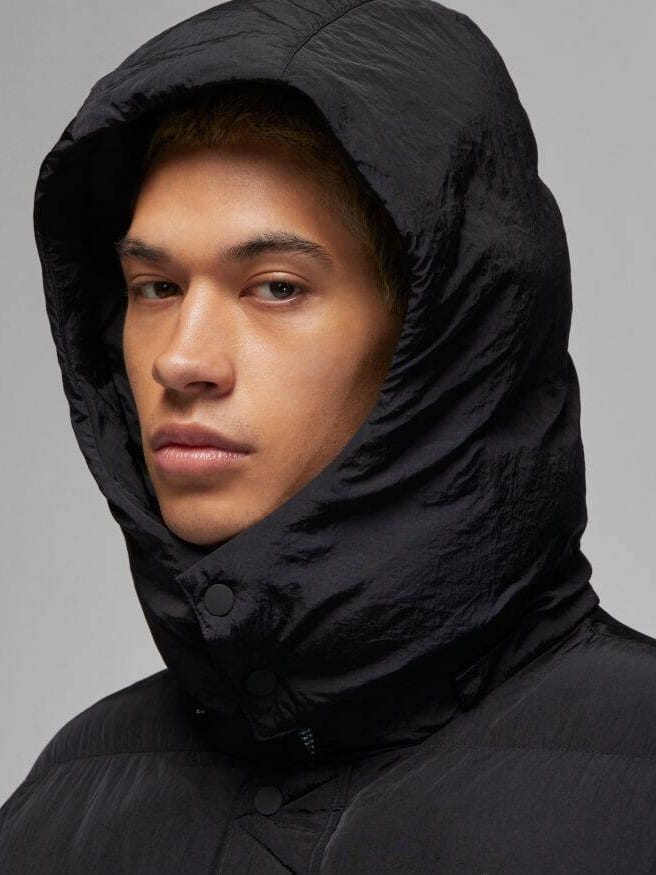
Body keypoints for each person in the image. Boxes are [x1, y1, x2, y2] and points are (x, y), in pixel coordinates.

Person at [1, 0, 655, 871]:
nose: (181, 360)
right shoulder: (62, 808)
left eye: (275, 287)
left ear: (441, 335)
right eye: (155, 287)